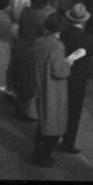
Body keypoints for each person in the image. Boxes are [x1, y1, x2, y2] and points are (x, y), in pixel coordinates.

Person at [31, 12, 83, 167]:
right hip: (53, 88)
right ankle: (43, 157)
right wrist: (68, 63)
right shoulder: (58, 46)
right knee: (52, 124)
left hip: (41, 83)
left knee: (43, 121)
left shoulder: (40, 41)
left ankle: (38, 154)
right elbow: (58, 71)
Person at [59, 3, 93, 154]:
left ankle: (54, 135)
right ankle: (68, 142)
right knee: (74, 111)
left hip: (62, 74)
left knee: (59, 105)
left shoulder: (63, 32)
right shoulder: (86, 38)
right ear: (83, 20)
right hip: (77, 78)